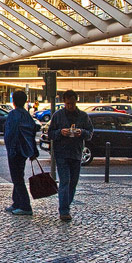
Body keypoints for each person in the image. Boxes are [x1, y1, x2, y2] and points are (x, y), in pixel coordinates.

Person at [48, 90, 93, 222]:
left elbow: (90, 133)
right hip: (61, 153)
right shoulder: (58, 116)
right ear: (64, 102)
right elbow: (51, 133)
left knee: (73, 183)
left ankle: (66, 205)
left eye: (72, 103)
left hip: (76, 153)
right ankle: (64, 211)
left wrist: (82, 132)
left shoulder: (83, 116)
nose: (70, 106)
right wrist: (60, 132)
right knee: (65, 181)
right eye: (68, 104)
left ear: (76, 101)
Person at [3, 90, 39, 216]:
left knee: (17, 178)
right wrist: (33, 150)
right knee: (19, 176)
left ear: (13, 101)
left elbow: (10, 133)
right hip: (24, 150)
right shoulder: (27, 115)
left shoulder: (13, 114)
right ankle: (16, 202)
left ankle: (25, 205)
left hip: (15, 150)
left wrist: (10, 149)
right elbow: (32, 132)